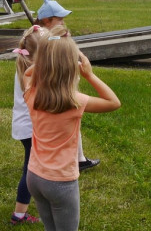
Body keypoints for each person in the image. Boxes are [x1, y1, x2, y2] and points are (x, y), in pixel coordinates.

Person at [25, 30, 121, 231]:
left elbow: (28, 73)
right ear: (72, 68)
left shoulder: (31, 94)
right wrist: (90, 75)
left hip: (34, 176)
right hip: (61, 183)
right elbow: (113, 102)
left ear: (42, 63)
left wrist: (46, 55)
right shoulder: (75, 101)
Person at [33, 0, 99, 173]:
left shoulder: (49, 36)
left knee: (73, 123)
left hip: (60, 88)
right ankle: (75, 160)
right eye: (59, 19)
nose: (63, 22)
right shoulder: (44, 38)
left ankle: (80, 159)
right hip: (55, 91)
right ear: (47, 20)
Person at [10, 25, 49, 225]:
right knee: (31, 169)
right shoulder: (35, 72)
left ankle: (24, 211)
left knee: (32, 167)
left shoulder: (25, 64)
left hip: (25, 126)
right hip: (31, 128)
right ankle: (19, 214)